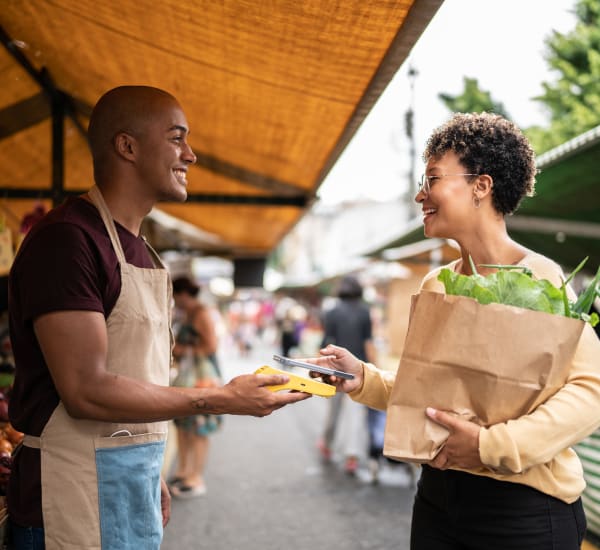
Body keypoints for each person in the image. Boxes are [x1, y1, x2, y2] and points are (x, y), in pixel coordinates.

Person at [7, 85, 310, 550]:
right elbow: (86, 390)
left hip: (134, 481)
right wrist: (219, 398)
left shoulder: (142, 250)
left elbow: (134, 376)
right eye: (176, 138)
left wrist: (149, 468)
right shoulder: (68, 240)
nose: (190, 154)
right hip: (67, 501)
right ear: (127, 146)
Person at [308, 112, 600, 549]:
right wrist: (362, 378)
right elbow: (428, 395)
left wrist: (490, 445)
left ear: (481, 186)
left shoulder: (540, 277)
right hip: (438, 500)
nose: (419, 195)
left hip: (524, 508)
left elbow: (589, 392)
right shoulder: (436, 284)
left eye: (432, 179)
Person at [169, 276, 222, 499]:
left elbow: (211, 346)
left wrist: (182, 350)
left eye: (175, 295)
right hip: (188, 375)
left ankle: (196, 476)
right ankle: (184, 470)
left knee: (199, 427)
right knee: (183, 424)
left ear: (182, 294)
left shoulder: (201, 313)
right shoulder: (189, 313)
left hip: (202, 376)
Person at [317, 275, 376, 474]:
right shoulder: (365, 311)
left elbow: (325, 341)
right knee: (355, 415)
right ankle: (352, 457)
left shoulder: (332, 312)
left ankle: (326, 444)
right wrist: (374, 368)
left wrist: (319, 367)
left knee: (332, 412)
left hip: (334, 369)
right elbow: (368, 343)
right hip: (357, 370)